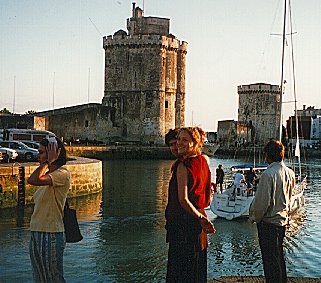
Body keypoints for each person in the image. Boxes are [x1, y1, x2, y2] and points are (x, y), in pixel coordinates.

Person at [165, 127, 215, 283]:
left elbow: (183, 199)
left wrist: (200, 217)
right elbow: (208, 194)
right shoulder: (204, 162)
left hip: (183, 223)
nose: (179, 143)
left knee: (179, 272)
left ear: (195, 143)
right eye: (178, 139)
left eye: (184, 140)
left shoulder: (183, 166)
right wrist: (202, 216)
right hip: (198, 224)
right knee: (197, 269)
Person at [249, 139, 295, 283]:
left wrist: (254, 217)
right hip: (282, 221)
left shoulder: (268, 175)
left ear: (267, 155)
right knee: (279, 258)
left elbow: (262, 203)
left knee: (270, 262)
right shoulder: (290, 173)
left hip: (268, 223)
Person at [27, 137, 71, 283]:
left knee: (53, 278)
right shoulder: (47, 175)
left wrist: (48, 162)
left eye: (41, 152)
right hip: (37, 232)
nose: (38, 156)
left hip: (51, 233)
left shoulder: (63, 174)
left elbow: (33, 180)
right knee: (39, 278)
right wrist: (47, 163)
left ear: (55, 153)